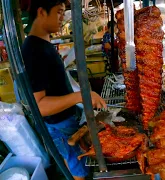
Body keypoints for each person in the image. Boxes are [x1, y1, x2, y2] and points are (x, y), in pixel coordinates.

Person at [22, 0, 106, 179]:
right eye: (59, 12)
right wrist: (82, 96)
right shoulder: (33, 50)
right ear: (42, 12)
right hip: (59, 126)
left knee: (77, 164)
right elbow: (40, 106)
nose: (63, 17)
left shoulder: (43, 45)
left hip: (65, 120)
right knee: (78, 172)